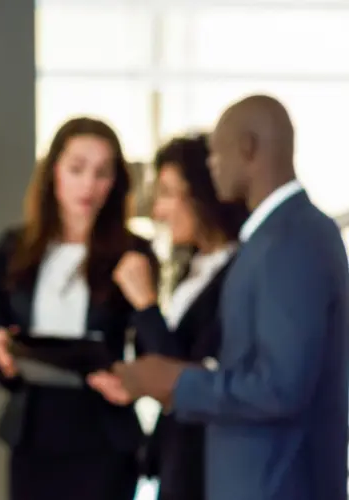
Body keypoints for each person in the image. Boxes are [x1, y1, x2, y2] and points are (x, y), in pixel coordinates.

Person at [107, 95, 349, 500]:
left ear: (248, 148)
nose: (212, 165)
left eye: (217, 154)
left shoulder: (290, 240)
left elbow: (280, 386)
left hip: (275, 485)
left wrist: (174, 381)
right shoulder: (275, 237)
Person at [0, 117, 156, 500]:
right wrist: (1, 357)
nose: (88, 185)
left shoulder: (133, 253)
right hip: (34, 432)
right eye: (77, 169)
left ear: (116, 183)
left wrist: (131, 382)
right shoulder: (14, 249)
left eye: (102, 173)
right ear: (53, 172)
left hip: (102, 433)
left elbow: (153, 352)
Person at [90, 134, 248, 500]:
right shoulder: (193, 265)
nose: (158, 210)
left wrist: (146, 303)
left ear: (202, 195)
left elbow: (185, 375)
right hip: (176, 457)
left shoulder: (239, 273)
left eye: (166, 193)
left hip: (206, 462)